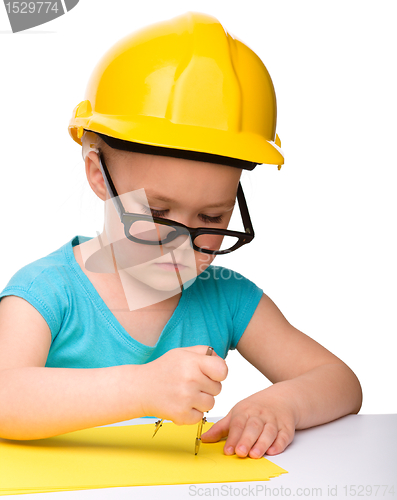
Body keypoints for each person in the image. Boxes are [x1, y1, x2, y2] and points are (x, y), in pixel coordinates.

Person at [0, 12, 362, 459]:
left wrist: (281, 403)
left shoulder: (226, 297)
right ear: (98, 175)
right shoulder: (46, 292)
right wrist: (141, 387)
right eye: (157, 212)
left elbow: (340, 381)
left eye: (211, 218)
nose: (182, 244)